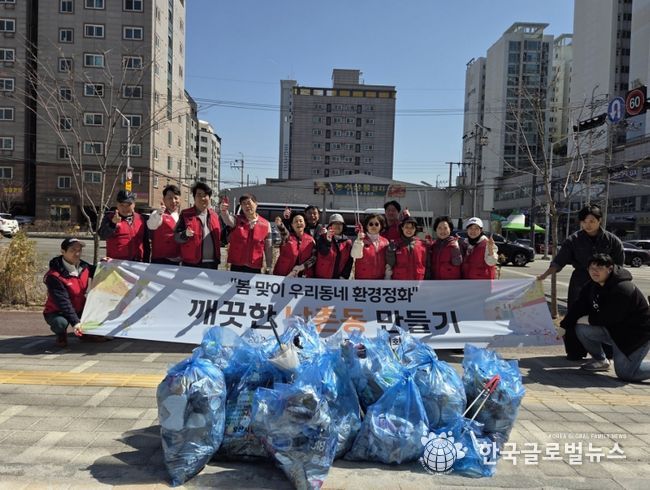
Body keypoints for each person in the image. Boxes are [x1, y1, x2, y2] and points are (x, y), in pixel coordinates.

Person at [537, 204, 625, 360]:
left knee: (606, 315)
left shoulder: (613, 241)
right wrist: (544, 275)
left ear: (599, 220)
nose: (588, 225)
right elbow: (559, 261)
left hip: (605, 283)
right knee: (575, 314)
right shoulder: (573, 240)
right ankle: (575, 351)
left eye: (592, 221)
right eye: (584, 221)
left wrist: (612, 283)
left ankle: (608, 351)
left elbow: (619, 266)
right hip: (580, 281)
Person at [559, 254, 650, 381]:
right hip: (614, 332)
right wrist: (564, 326)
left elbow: (611, 317)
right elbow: (579, 306)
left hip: (635, 336)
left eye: (600, 268)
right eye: (592, 268)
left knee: (626, 373)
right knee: (581, 328)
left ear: (610, 269)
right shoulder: (591, 285)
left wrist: (589, 319)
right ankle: (600, 360)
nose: (595, 271)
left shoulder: (623, 288)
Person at [43, 238, 99, 347]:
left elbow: (99, 271)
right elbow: (63, 302)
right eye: (73, 250)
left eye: (79, 250)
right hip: (58, 311)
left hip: (79, 307)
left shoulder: (83, 266)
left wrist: (106, 264)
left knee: (96, 316)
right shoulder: (54, 276)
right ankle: (61, 335)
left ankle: (85, 334)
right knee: (60, 323)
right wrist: (76, 323)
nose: (77, 254)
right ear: (63, 252)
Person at [221, 193, 273, 273]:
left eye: (249, 203)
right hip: (236, 265)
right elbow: (227, 220)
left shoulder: (266, 224)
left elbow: (268, 248)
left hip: (255, 266)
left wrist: (269, 266)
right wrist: (224, 211)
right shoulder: (236, 219)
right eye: (244, 204)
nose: (247, 206)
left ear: (256, 204)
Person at [174, 182, 222, 269]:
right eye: (199, 195)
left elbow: (221, 238)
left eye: (205, 195)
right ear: (194, 197)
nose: (202, 198)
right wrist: (185, 234)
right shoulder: (185, 214)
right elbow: (176, 237)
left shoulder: (215, 216)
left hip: (212, 264)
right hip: (191, 264)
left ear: (209, 198)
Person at [98, 190, 149, 262]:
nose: (125, 208)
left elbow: (146, 243)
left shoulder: (141, 219)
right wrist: (112, 224)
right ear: (117, 205)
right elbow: (102, 235)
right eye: (121, 205)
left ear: (134, 204)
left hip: (137, 262)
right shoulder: (110, 217)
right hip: (116, 262)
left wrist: (146, 261)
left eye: (128, 205)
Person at [273, 212, 316, 277]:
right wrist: (280, 225)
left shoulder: (311, 240)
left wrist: (302, 267)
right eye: (296, 221)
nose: (298, 223)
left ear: (305, 224)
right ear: (292, 225)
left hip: (304, 276)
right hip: (284, 275)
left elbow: (314, 258)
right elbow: (283, 232)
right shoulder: (287, 237)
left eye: (301, 221)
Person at [147, 184, 181, 265]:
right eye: (170, 198)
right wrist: (158, 214)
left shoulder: (181, 216)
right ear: (164, 199)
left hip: (177, 261)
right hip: (161, 261)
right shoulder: (158, 214)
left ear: (180, 199)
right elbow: (151, 225)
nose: (173, 201)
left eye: (176, 198)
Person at [351, 213, 391, 280]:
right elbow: (355, 255)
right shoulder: (361, 240)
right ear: (366, 226)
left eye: (377, 224)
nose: (374, 226)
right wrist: (359, 241)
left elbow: (388, 262)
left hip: (380, 280)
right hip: (362, 280)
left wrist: (387, 276)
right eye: (371, 224)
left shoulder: (385, 242)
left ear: (381, 226)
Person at [314, 213, 353, 279]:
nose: (338, 226)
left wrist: (344, 276)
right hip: (321, 278)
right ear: (330, 226)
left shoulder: (347, 242)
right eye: (335, 223)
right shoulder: (322, 238)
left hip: (339, 279)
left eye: (340, 224)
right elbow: (323, 252)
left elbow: (349, 262)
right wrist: (328, 241)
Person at [428, 215, 463, 280]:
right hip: (435, 282)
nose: (442, 231)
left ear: (450, 229)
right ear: (436, 229)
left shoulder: (459, 243)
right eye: (439, 228)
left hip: (452, 283)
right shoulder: (433, 246)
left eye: (445, 228)